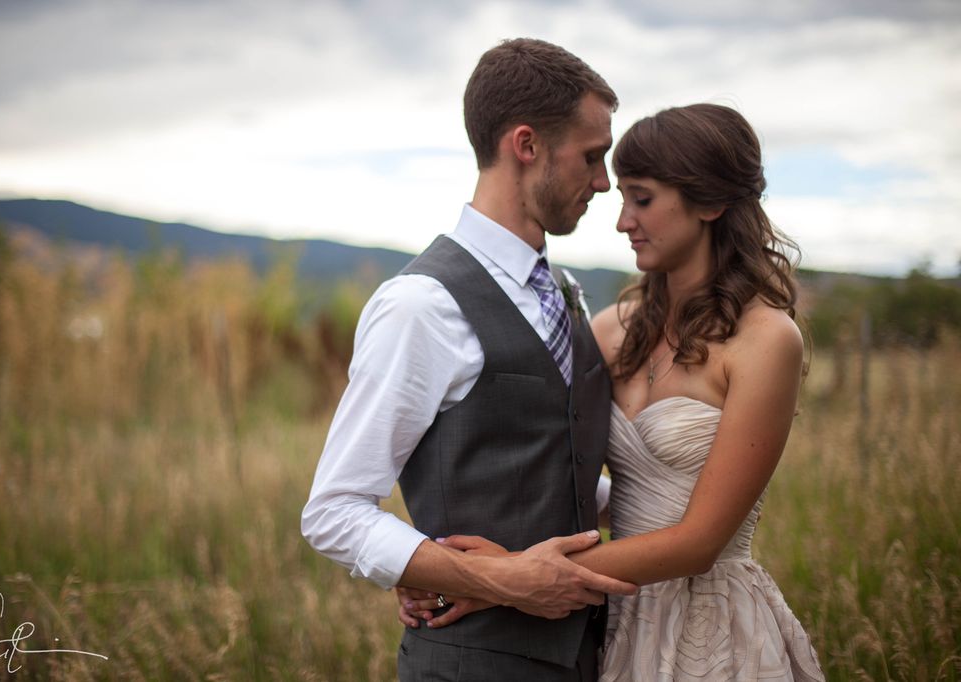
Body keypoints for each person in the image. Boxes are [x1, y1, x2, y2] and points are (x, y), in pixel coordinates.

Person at [400, 104, 826, 680]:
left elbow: (699, 542)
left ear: (710, 203)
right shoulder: (610, 328)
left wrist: (515, 578)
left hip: (707, 622)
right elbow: (552, 459)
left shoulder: (768, 341)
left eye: (643, 199)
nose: (623, 220)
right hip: (605, 618)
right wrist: (446, 570)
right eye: (621, 197)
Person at [301, 38, 637, 680]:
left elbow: (547, 464)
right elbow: (334, 510)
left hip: (594, 656)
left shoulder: (565, 293)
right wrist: (496, 577)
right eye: (593, 157)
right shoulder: (420, 305)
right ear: (526, 144)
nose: (602, 181)